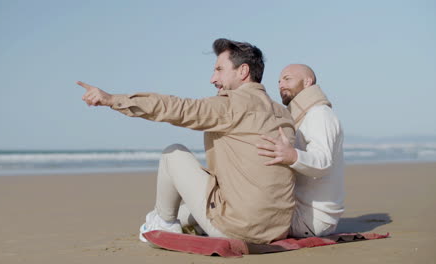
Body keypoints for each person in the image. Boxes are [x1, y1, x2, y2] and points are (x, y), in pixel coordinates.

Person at [77, 38, 296, 244]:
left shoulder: (232, 104)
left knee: (174, 154)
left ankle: (164, 224)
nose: (213, 78)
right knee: (183, 212)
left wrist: (112, 100)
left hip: (238, 229)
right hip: (277, 229)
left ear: (243, 71)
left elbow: (176, 108)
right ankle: (164, 218)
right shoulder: (283, 113)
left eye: (219, 69)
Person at [257, 64, 345, 237]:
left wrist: (291, 155)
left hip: (310, 219)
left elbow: (323, 163)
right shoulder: (303, 116)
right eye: (279, 81)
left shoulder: (319, 114)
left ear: (307, 82)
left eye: (287, 79)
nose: (281, 84)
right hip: (304, 214)